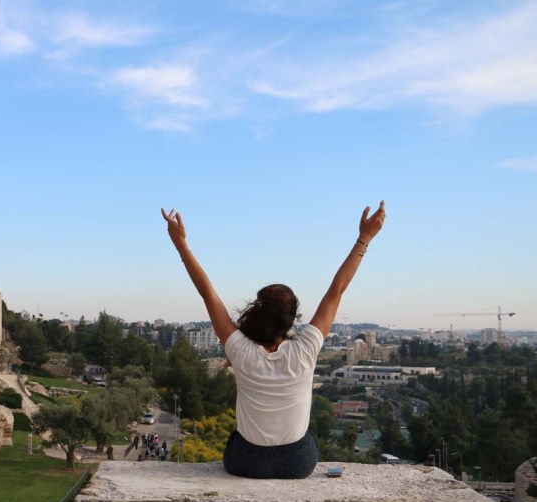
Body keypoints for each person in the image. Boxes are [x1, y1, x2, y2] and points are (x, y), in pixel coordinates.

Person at [161, 202, 386, 479]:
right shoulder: (306, 348)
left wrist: (181, 245)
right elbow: (336, 291)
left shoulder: (240, 349)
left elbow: (208, 293)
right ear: (291, 321)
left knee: (236, 438)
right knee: (309, 437)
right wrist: (364, 238)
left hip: (246, 462)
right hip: (297, 462)